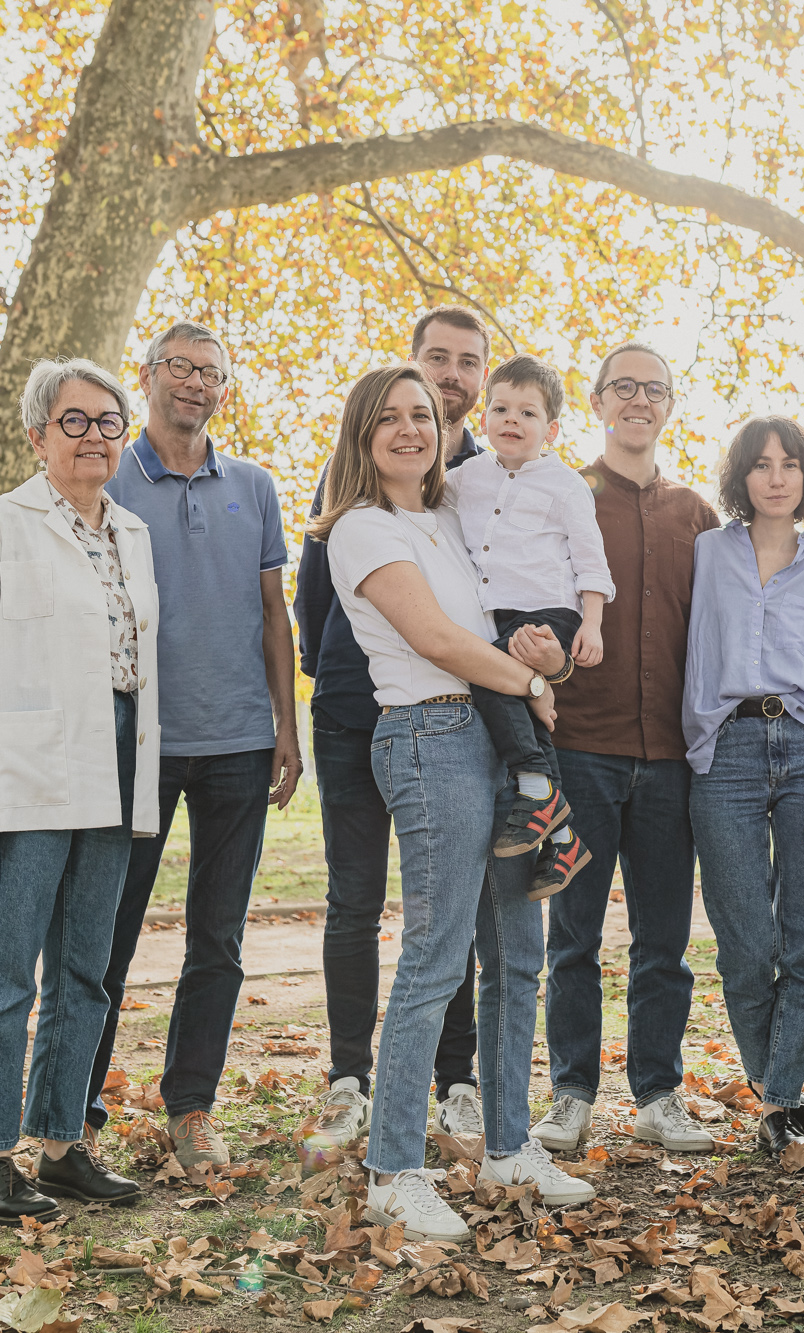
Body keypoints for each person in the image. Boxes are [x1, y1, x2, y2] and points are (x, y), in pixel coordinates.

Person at [312, 362, 593, 1240]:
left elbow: (485, 632)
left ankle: (509, 1144)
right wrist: (527, 685)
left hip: (492, 735)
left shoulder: (447, 518)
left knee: (517, 955)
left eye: (422, 415)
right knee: (437, 957)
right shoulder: (358, 528)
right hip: (429, 738)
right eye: (388, 418)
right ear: (362, 436)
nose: (410, 429)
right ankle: (394, 1168)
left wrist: (537, 661)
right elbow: (432, 639)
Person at [0, 357, 158, 1222]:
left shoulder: (130, 534)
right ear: (37, 434)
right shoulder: (4, 523)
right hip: (26, 772)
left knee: (85, 971)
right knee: (7, 970)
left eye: (108, 421)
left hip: (118, 759)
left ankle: (61, 1145)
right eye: (75, 420)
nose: (94, 435)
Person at [82, 320, 301, 1171]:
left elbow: (273, 613)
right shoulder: (110, 478)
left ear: (224, 389)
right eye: (179, 366)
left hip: (241, 742)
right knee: (109, 930)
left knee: (219, 937)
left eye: (210, 372)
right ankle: (76, 1104)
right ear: (147, 376)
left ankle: (192, 1107)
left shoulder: (254, 484)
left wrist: (288, 723)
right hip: (138, 742)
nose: (194, 382)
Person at [293, 307, 495, 1150]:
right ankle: (350, 1077)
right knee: (354, 897)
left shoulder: (479, 484)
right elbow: (310, 598)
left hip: (452, 716)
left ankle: (458, 1079)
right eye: (436, 359)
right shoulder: (356, 483)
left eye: (466, 363)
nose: (450, 375)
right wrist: (357, 670)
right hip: (355, 709)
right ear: (411, 366)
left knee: (446, 904)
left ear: (481, 379)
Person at [531, 342, 720, 1155]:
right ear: (600, 402)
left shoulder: (697, 514)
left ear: (669, 406)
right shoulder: (560, 496)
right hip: (579, 748)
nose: (638, 400)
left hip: (673, 759)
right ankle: (570, 1092)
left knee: (663, 940)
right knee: (571, 934)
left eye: (655, 388)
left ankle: (658, 1092)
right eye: (624, 387)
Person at [683, 417, 804, 1158]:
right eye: (760, 465)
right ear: (742, 476)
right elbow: (693, 644)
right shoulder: (708, 552)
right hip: (725, 748)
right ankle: (779, 1090)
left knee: (803, 940)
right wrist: (697, 746)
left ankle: (778, 1101)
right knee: (743, 945)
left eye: (789, 464)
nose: (775, 477)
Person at [452, 353, 614, 897]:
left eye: (527, 413)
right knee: (515, 702)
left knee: (487, 675)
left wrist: (590, 625)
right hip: (498, 616)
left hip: (552, 613)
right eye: (501, 408)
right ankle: (564, 837)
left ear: (551, 428)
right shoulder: (464, 478)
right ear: (484, 417)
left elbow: (592, 561)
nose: (511, 421)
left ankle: (537, 789)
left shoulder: (566, 484)